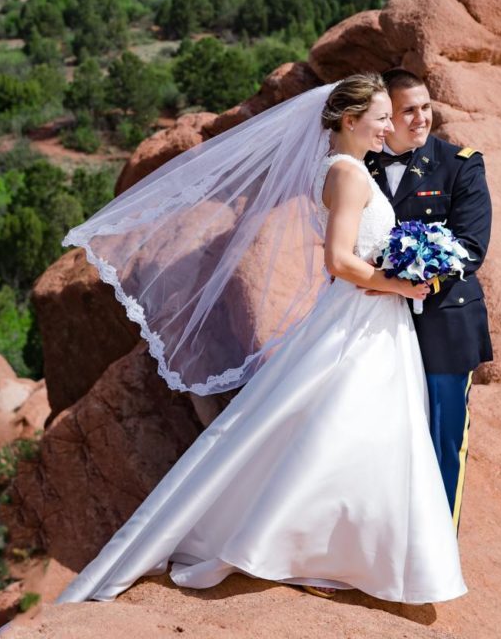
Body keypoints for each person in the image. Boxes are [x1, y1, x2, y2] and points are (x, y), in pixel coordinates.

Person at [57, 73, 466, 605]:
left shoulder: (351, 169)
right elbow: (339, 260)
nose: (389, 126)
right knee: (344, 422)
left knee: (355, 425)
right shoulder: (347, 174)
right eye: (381, 117)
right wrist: (399, 281)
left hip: (373, 317)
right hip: (360, 314)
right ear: (349, 120)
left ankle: (344, 547)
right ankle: (312, 544)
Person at [364, 68, 492, 532]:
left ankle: (437, 545)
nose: (421, 119)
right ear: (385, 116)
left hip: (443, 323)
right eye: (408, 111)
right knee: (377, 430)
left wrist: (409, 278)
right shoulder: (362, 164)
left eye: (426, 107)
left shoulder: (460, 164)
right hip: (375, 320)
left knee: (443, 434)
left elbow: (471, 248)